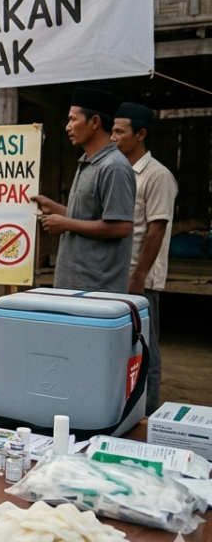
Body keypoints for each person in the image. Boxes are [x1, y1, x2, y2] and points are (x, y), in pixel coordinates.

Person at [32, 88, 135, 293]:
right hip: (74, 283)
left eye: (73, 120)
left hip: (97, 288)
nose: (67, 127)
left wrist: (66, 223)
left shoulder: (114, 166)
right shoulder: (87, 162)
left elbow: (121, 227)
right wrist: (55, 209)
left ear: (95, 122)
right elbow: (88, 217)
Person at [111, 102, 177, 414]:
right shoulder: (121, 172)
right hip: (118, 277)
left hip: (141, 280)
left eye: (120, 132)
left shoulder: (157, 175)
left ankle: (145, 418)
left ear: (141, 135)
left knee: (146, 352)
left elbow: (157, 229)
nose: (113, 137)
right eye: (112, 130)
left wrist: (138, 277)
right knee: (123, 352)